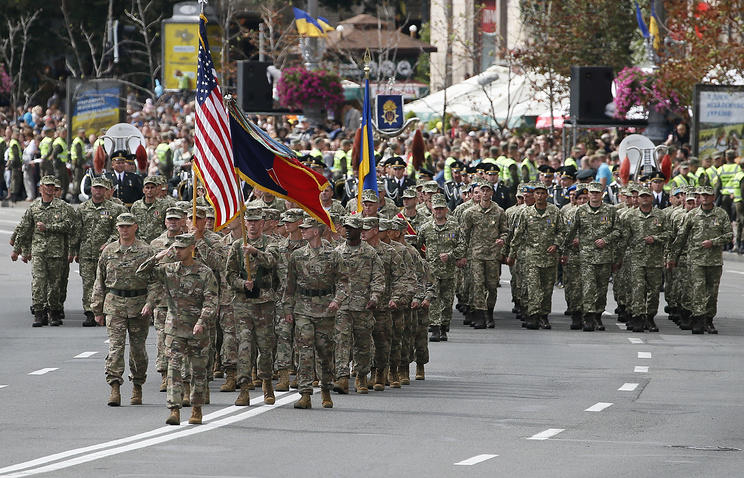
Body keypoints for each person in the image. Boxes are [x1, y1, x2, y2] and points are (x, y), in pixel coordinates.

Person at [137, 233, 218, 425]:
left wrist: (202, 321)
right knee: (174, 369)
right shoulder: (169, 270)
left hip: (197, 329)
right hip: (174, 329)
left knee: (198, 371)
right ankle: (174, 409)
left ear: (192, 248)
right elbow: (141, 272)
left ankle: (196, 408)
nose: (178, 251)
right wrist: (159, 256)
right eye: (175, 247)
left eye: (181, 248)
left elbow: (211, 301)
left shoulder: (204, 273)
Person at [283, 217, 349, 409]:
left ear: (316, 231)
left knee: (325, 351)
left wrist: (337, 300)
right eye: (301, 228)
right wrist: (287, 308)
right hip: (303, 308)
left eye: (306, 228)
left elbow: (344, 282)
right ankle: (305, 394)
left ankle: (326, 389)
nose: (302, 231)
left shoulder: (333, 255)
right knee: (304, 350)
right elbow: (290, 285)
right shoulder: (297, 256)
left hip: (326, 308)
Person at [90, 213, 153, 407]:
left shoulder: (146, 251)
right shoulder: (109, 251)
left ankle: (137, 385)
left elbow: (155, 281)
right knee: (115, 348)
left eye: (128, 226)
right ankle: (115, 387)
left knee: (138, 350)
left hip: (138, 305)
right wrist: (97, 309)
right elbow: (99, 281)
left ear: (135, 227)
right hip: (114, 304)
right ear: (117, 228)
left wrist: (150, 303)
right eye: (121, 226)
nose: (124, 230)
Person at [225, 207, 279, 406]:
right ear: (245, 223)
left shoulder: (270, 244)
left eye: (257, 221)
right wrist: (241, 284)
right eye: (250, 221)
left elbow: (273, 261)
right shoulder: (237, 245)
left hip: (264, 303)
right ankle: (244, 387)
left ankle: (266, 383)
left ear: (263, 223)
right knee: (244, 346)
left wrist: (255, 252)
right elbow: (229, 274)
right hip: (243, 303)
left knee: (265, 347)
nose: (253, 225)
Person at [11, 175, 75, 327]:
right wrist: (16, 250)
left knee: (54, 284)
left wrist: (48, 227)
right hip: (39, 251)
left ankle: (53, 312)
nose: (49, 189)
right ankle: (39, 313)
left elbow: (68, 225)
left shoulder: (62, 206)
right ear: (41, 188)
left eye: (52, 186)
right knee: (38, 282)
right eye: (46, 186)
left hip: (56, 252)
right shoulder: (34, 207)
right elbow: (24, 229)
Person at [669, 186, 733, 334]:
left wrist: (714, 242)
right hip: (695, 260)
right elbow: (681, 238)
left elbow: (729, 235)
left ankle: (709, 320)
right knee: (698, 290)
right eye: (701, 195)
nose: (704, 198)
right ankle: (698, 319)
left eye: (707, 195)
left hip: (714, 261)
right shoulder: (692, 215)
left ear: (713, 197)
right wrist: (673, 257)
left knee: (712, 292)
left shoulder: (721, 214)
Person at [332, 215, 384, 394]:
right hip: (343, 306)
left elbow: (378, 278)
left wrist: (375, 297)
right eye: (346, 227)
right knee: (341, 341)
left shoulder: (370, 253)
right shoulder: (337, 252)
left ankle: (361, 376)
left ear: (360, 231)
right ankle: (342, 377)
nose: (347, 231)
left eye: (351, 228)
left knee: (362, 343)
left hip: (363, 306)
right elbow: (331, 278)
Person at [563, 182, 621, 331]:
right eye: (592, 193)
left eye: (597, 193)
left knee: (601, 289)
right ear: (588, 194)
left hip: (604, 256)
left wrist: (606, 240)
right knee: (588, 287)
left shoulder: (610, 211)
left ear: (602, 194)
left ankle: (597, 316)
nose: (594, 195)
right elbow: (570, 232)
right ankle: (588, 317)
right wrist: (565, 250)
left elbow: (618, 231)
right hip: (586, 256)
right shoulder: (580, 211)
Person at [507, 182, 565, 330]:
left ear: (547, 195)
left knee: (546, 289)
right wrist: (511, 254)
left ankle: (544, 316)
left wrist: (556, 244)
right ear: (534, 195)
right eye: (537, 193)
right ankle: (532, 315)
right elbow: (517, 235)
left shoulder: (554, 211)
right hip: (531, 256)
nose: (539, 196)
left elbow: (561, 231)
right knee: (533, 287)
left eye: (542, 193)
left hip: (549, 257)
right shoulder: (525, 213)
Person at [72, 177, 127, 327]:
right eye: (96, 188)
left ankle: (106, 311)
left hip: (108, 255)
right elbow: (77, 231)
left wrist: (108, 243)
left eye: (101, 188)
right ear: (91, 189)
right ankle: (90, 312)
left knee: (107, 283)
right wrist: (73, 251)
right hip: (86, 254)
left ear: (106, 191)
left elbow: (119, 231)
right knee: (89, 284)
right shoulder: (82, 208)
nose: (98, 191)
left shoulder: (115, 209)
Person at [619, 187, 669, 333]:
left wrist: (656, 238)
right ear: (638, 199)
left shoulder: (660, 215)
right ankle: (637, 318)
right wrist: (618, 257)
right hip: (636, 259)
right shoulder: (631, 216)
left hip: (655, 260)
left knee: (653, 291)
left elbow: (669, 234)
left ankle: (650, 317)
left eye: (647, 196)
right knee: (637, 290)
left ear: (652, 198)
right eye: (642, 197)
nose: (645, 199)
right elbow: (624, 238)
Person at [149, 206, 188, 391]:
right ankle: (165, 374)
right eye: (169, 219)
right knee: (162, 338)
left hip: (187, 300)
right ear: (165, 222)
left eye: (176, 219)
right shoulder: (156, 244)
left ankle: (183, 376)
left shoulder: (189, 242)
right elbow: (148, 273)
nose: (172, 222)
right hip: (163, 300)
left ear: (182, 221)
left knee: (185, 340)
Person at [460, 182, 508, 329]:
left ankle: (490, 312)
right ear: (479, 193)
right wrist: (462, 255)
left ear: (492, 193)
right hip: (476, 255)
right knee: (478, 285)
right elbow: (464, 235)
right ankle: (480, 315)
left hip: (493, 255)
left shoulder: (499, 212)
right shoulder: (470, 213)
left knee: (492, 286)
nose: (485, 193)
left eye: (488, 191)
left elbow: (505, 231)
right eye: (483, 191)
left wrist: (503, 240)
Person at [417, 194, 466, 339]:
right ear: (432, 209)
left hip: (449, 270)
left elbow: (463, 246)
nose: (438, 211)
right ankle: (435, 327)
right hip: (432, 271)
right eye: (436, 208)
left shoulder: (454, 226)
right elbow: (419, 246)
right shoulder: (426, 227)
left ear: (445, 210)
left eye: (441, 209)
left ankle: (444, 326)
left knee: (447, 300)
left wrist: (450, 255)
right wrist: (423, 262)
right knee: (433, 298)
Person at [131, 176, 167, 243]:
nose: (149, 190)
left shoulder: (164, 206)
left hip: (158, 243)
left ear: (156, 189)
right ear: (143, 190)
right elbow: (132, 226)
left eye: (152, 188)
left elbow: (167, 226)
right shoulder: (136, 206)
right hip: (140, 243)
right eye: (147, 187)